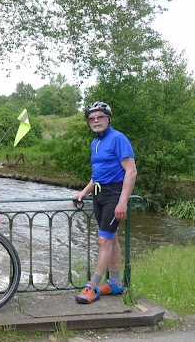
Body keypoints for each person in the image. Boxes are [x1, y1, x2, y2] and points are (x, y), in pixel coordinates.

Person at [74, 101, 137, 304]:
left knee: (104, 241)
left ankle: (92, 285)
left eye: (100, 117)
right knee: (112, 238)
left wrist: (122, 202)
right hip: (99, 195)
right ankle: (116, 283)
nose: (95, 121)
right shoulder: (96, 143)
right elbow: (98, 174)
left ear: (108, 118)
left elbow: (131, 171)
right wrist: (84, 192)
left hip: (114, 195)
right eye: (92, 118)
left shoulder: (118, 139)